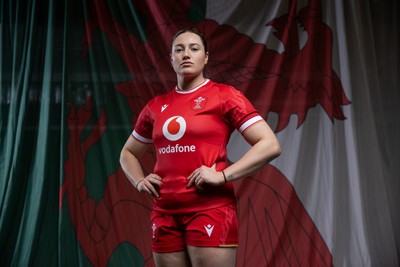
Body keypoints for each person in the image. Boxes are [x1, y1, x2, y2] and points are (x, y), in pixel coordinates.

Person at [120, 28, 281, 267]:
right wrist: (139, 181)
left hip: (210, 209)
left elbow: (269, 145)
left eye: (194, 49)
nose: (186, 54)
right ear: (171, 58)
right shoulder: (156, 105)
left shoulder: (224, 96)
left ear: (205, 57)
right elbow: (128, 152)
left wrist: (223, 175)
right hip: (164, 212)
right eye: (179, 49)